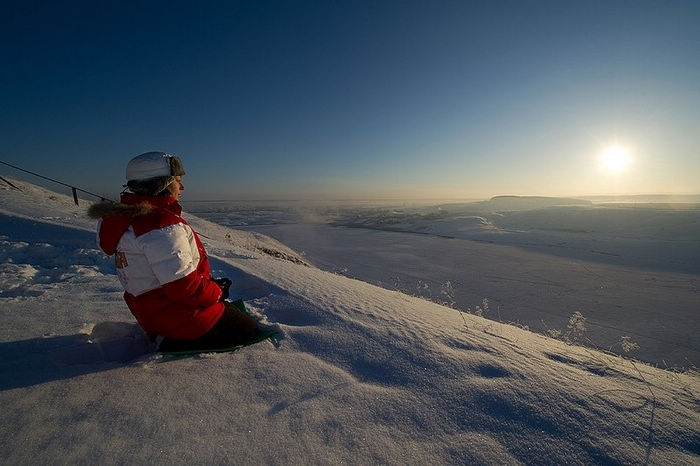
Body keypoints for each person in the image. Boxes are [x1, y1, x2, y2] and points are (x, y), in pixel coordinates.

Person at [88, 151, 259, 352]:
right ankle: (169, 341)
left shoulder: (125, 219)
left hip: (154, 313)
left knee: (230, 310)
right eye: (178, 181)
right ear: (162, 184)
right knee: (248, 328)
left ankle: (165, 335)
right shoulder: (160, 226)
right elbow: (184, 287)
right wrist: (217, 292)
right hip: (181, 322)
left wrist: (210, 288)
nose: (183, 187)